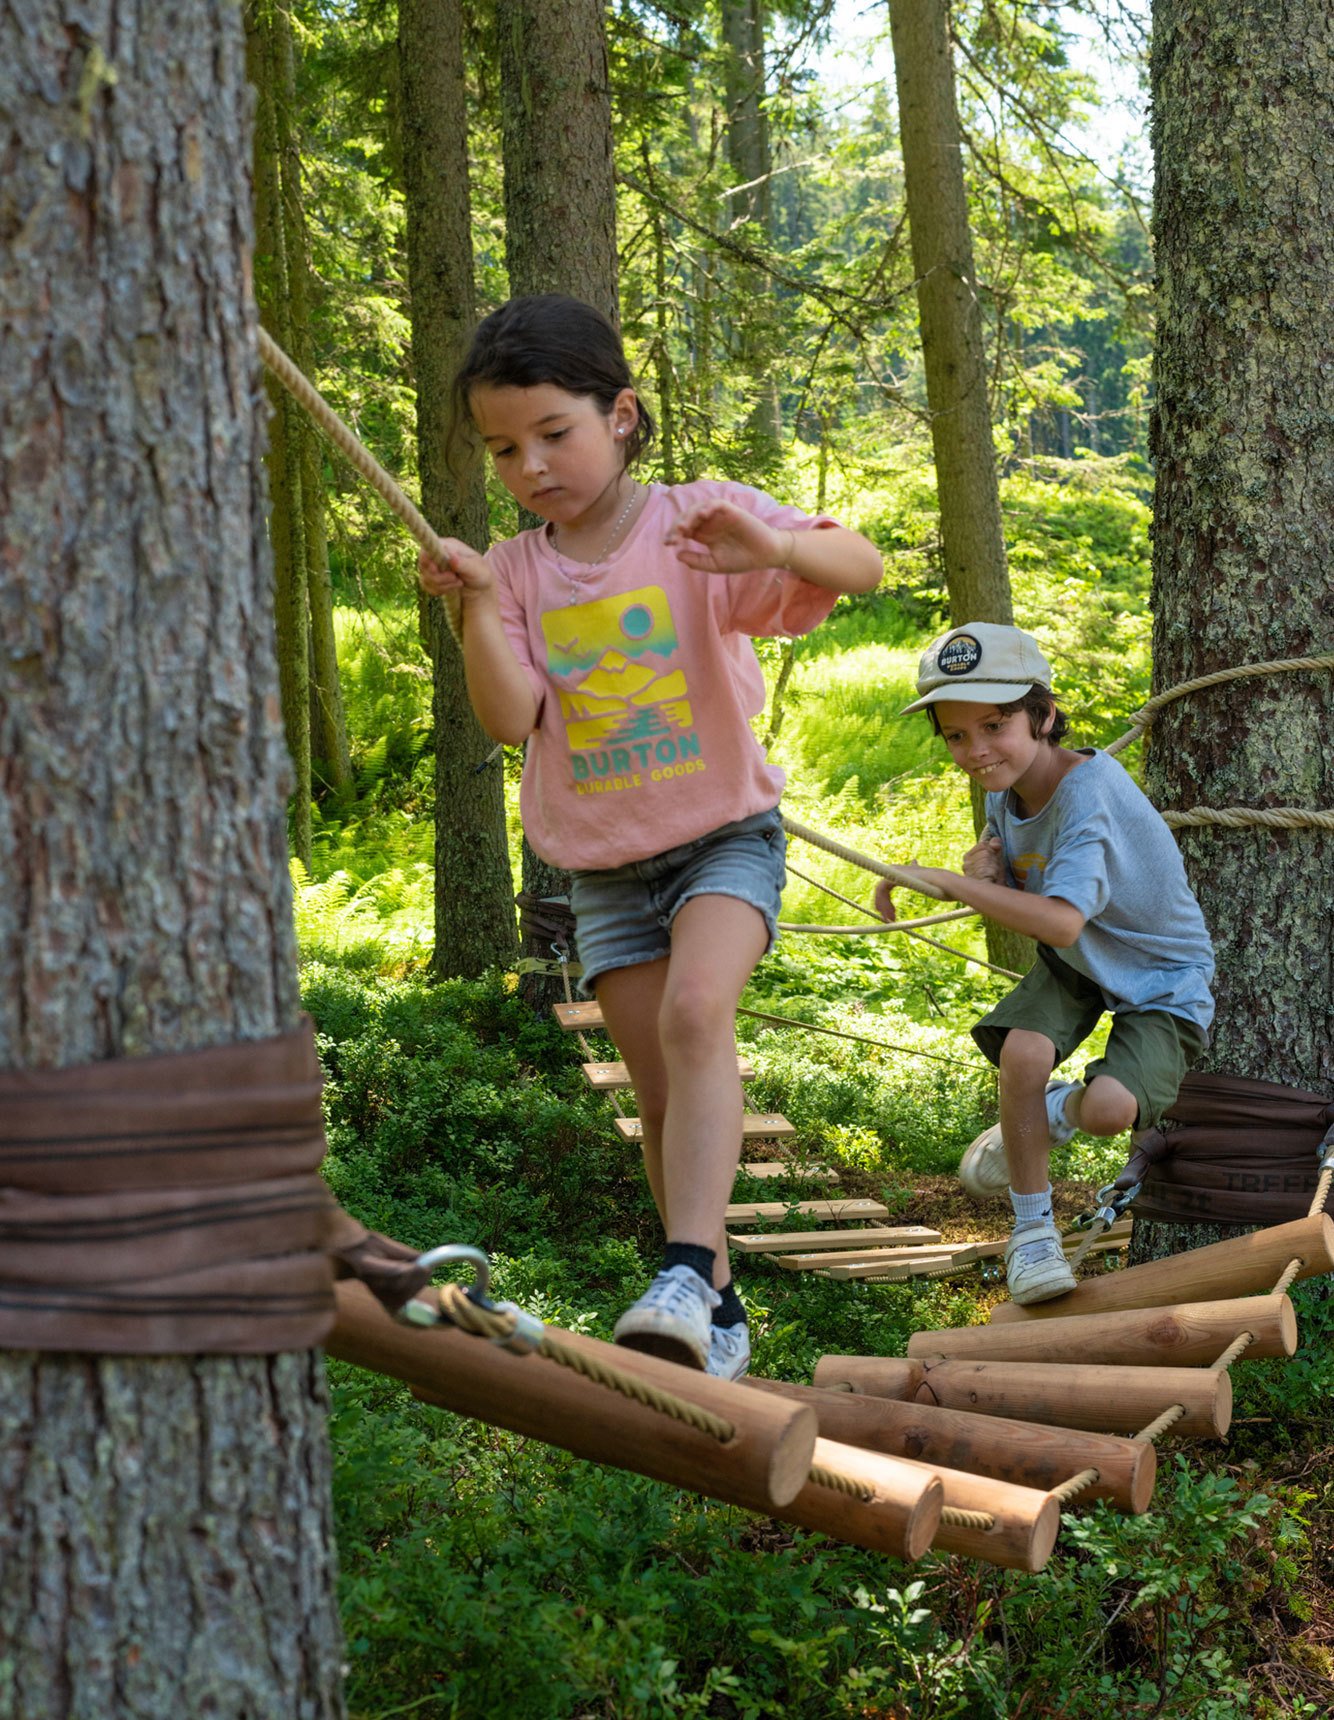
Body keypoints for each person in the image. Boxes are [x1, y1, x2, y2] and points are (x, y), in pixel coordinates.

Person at [417, 293, 883, 1374]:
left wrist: (770, 542)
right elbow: (507, 719)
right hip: (605, 868)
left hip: (722, 836)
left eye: (552, 432)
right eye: (502, 448)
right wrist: (478, 606)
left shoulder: (697, 519)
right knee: (660, 1092)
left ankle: (677, 1265)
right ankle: (710, 1297)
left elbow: (857, 567)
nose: (529, 465)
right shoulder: (517, 569)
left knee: (694, 1010)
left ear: (619, 414)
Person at [874, 622, 1215, 1305]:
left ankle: (1052, 1116)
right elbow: (1024, 881)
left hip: (1159, 976)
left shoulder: (1090, 795)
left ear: (1045, 714)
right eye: (955, 735)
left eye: (994, 725)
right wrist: (985, 869)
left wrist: (952, 882)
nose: (975, 751)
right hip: (1076, 962)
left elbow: (1061, 916)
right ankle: (1033, 1237)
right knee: (1022, 1055)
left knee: (1111, 1110)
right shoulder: (1007, 787)